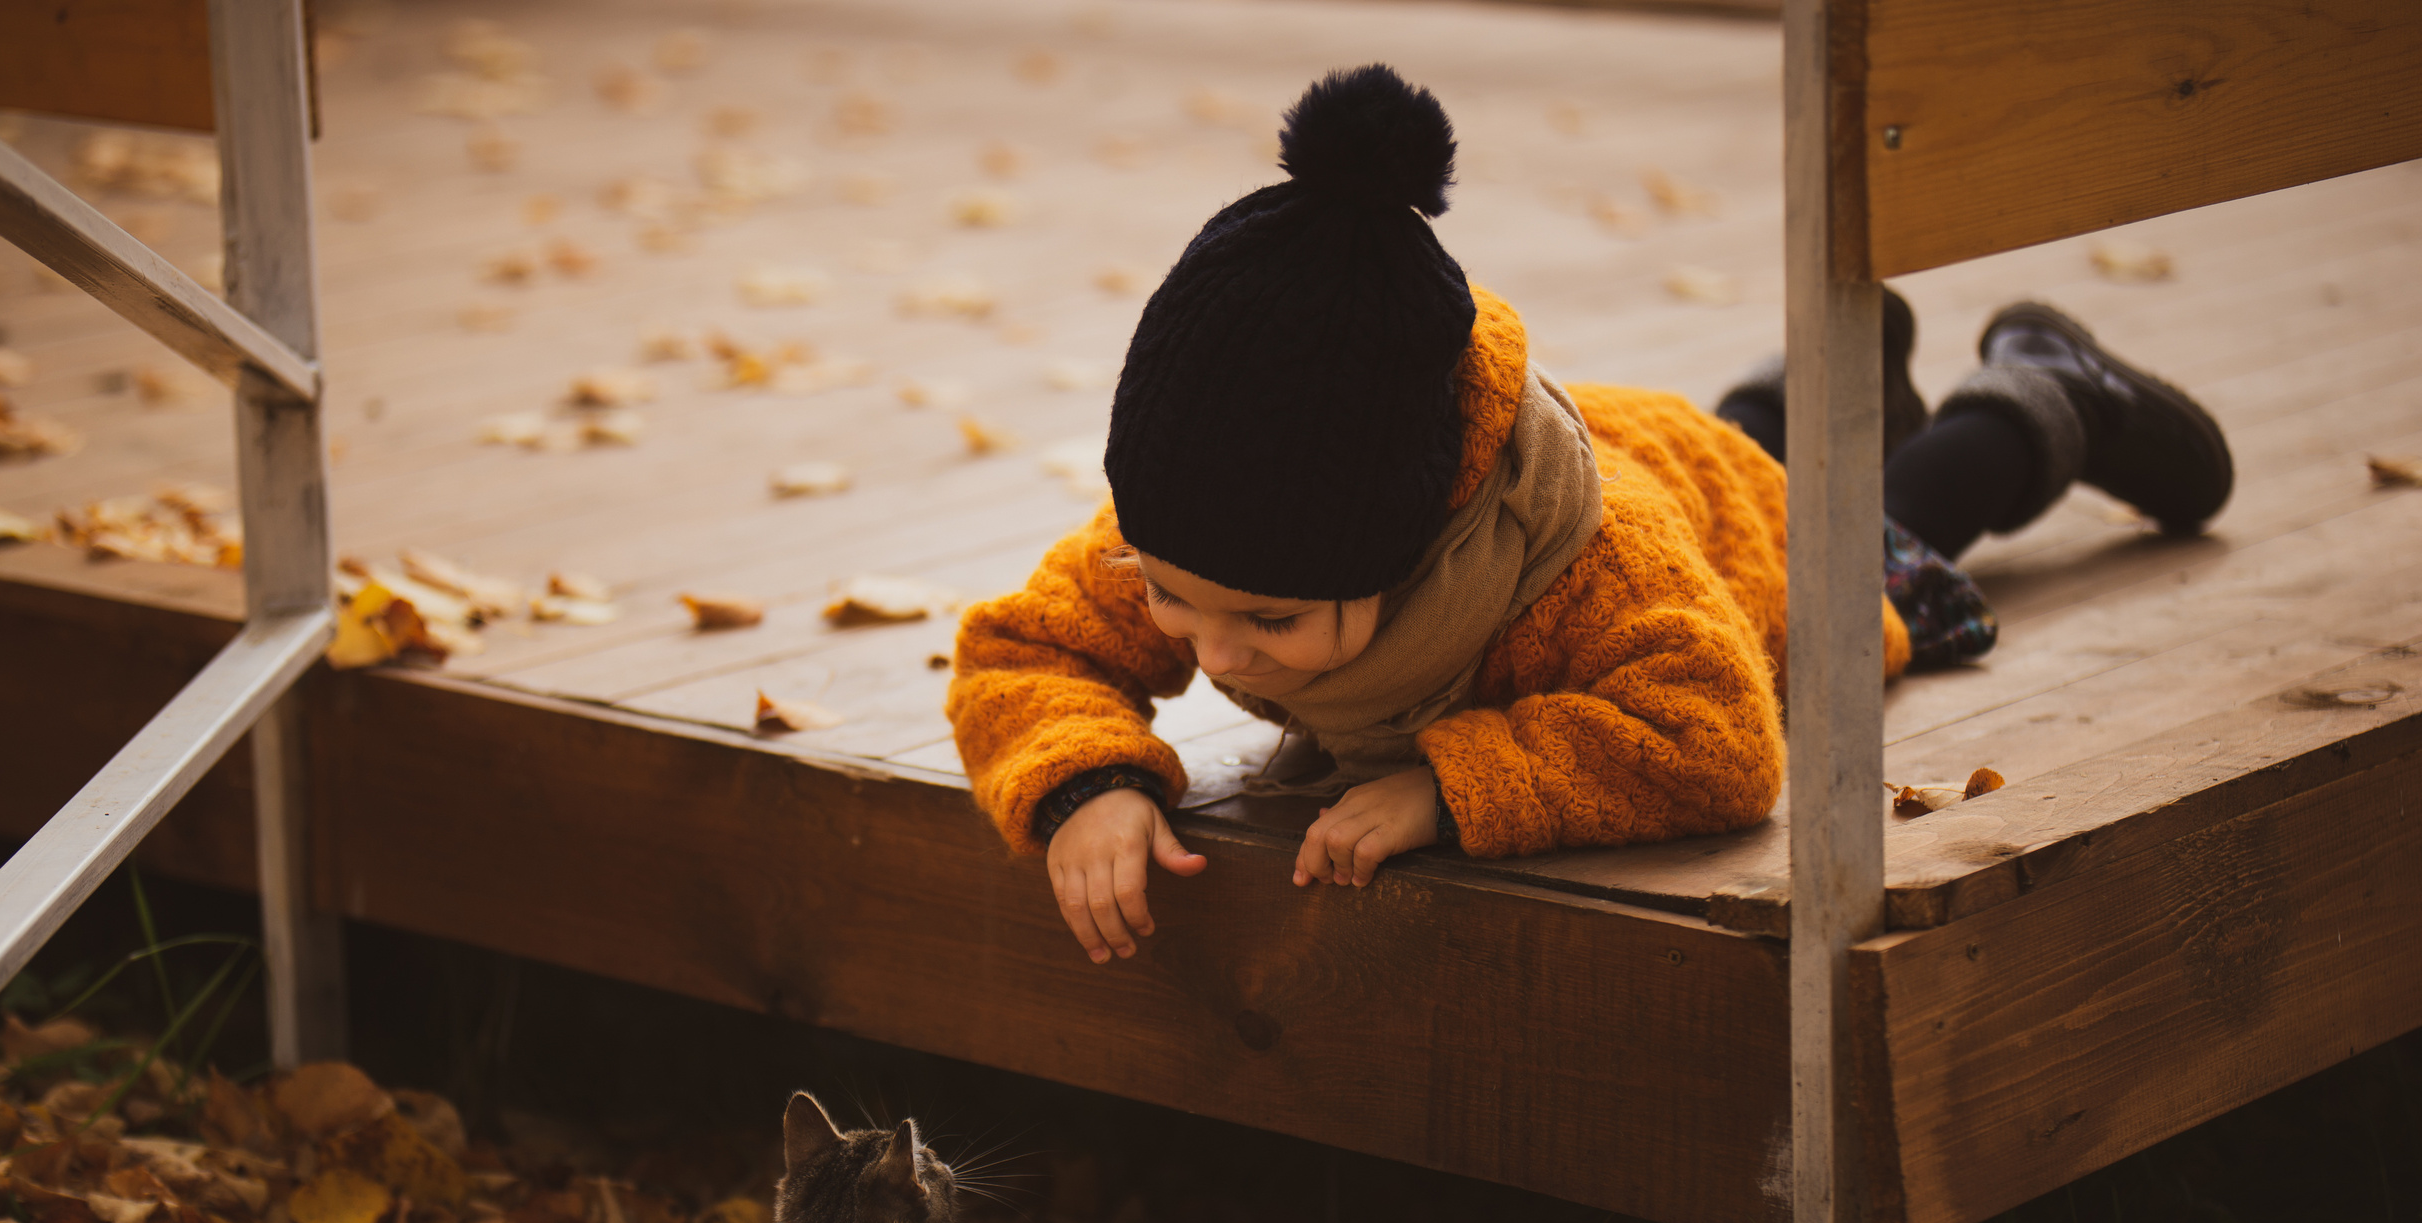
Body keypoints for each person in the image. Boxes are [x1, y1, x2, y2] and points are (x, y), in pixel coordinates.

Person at [944, 66, 2232, 966]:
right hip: (1649, 446)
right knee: (1744, 447)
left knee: (1873, 553)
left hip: (1730, 536)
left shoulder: (1588, 571)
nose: (1211, 651)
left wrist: (1452, 785)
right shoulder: (1198, 526)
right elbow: (1026, 647)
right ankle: (1823, 388)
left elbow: (1719, 741)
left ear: (1415, 549)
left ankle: (2045, 393)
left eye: (1269, 619)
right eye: (1176, 599)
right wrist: (1084, 784)